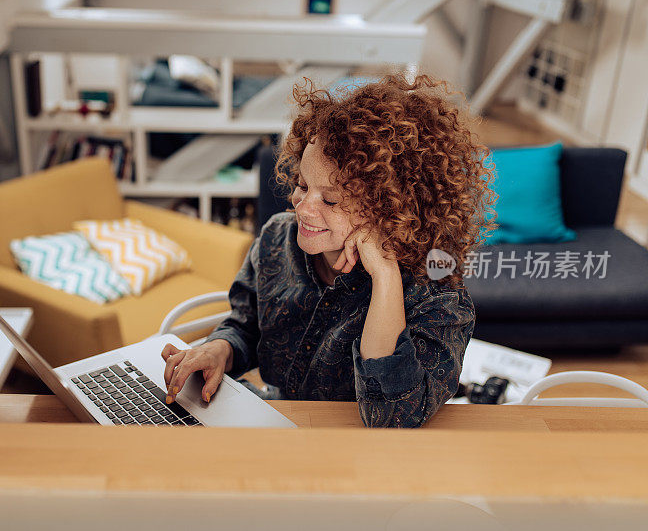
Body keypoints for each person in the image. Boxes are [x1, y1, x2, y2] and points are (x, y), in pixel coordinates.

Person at [160, 73, 497, 428]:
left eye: (331, 200)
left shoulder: (436, 293)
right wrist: (219, 350)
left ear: (393, 208)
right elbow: (247, 325)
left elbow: (394, 418)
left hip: (358, 454)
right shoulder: (279, 239)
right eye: (302, 185)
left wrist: (384, 277)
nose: (303, 207)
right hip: (279, 422)